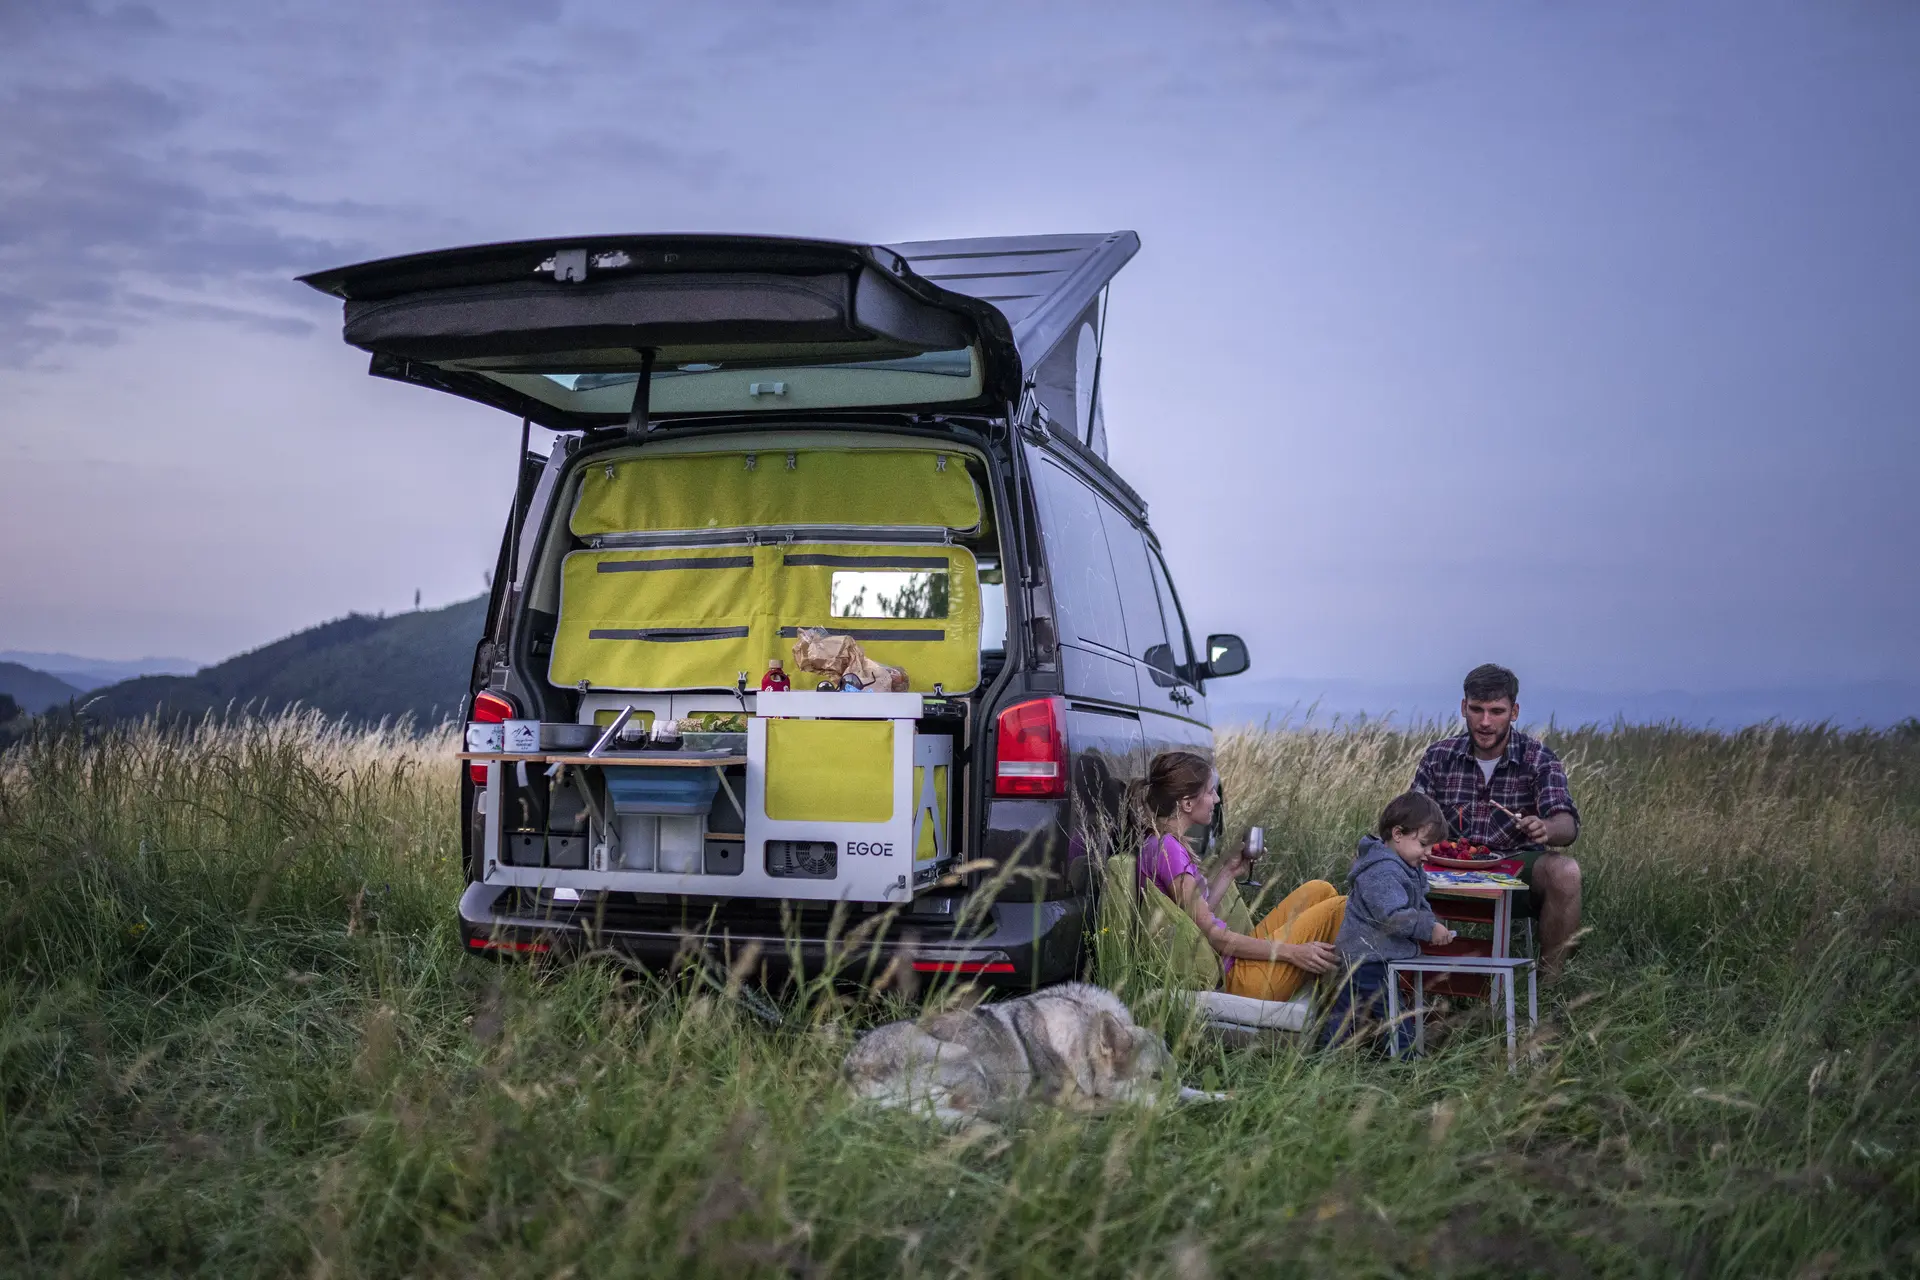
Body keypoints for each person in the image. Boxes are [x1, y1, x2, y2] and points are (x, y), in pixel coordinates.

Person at [1412, 663, 1582, 981]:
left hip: (1513, 871)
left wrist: (1546, 828)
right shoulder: (1438, 756)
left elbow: (1567, 823)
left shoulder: (1539, 758)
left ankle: (1549, 984)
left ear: (1513, 712)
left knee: (1566, 871)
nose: (1485, 722)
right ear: (1464, 707)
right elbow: (1412, 816)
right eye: (1477, 709)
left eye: (1497, 711)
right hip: (1446, 866)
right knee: (1376, 858)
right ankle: (1399, 979)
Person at [1134, 751, 1344, 1001]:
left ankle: (1332, 990)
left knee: (1320, 889)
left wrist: (1230, 870)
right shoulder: (1168, 850)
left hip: (1234, 964)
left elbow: (1194, 919)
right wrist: (1293, 952)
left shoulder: (1162, 844)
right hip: (1238, 979)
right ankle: (1346, 1006)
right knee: (1339, 907)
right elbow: (1215, 937)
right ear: (1187, 803)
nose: (1216, 799)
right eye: (1210, 792)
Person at [1322, 792, 1457, 1053]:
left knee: (1348, 1011)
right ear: (1397, 834)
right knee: (1390, 1009)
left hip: (1375, 955)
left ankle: (1327, 1055)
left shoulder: (1406, 866)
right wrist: (1427, 928)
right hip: (1366, 956)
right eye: (1423, 844)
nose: (1428, 853)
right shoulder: (1382, 871)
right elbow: (1394, 916)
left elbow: (1418, 902)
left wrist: (1431, 922)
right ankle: (1406, 1060)